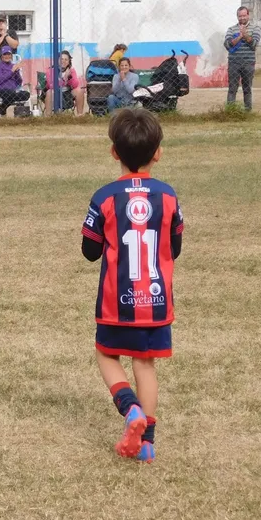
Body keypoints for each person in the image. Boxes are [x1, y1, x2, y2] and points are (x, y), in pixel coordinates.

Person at [81, 108, 184, 464]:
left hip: (115, 302)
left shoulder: (105, 197)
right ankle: (148, 443)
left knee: (106, 354)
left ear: (114, 152)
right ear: (158, 152)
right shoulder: (169, 196)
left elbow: (89, 251)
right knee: (145, 364)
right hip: (155, 302)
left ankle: (130, 410)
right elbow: (176, 247)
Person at [225, 6, 261, 111]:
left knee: (247, 88)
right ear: (237, 17)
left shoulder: (255, 29)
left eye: (244, 15)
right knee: (232, 88)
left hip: (248, 63)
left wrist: (244, 35)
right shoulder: (231, 29)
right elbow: (228, 45)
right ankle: (230, 111)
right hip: (233, 63)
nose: (242, 18)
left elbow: (254, 45)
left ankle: (248, 111)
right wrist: (239, 37)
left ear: (248, 15)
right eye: (240, 16)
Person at [0, 45, 30, 116]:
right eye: (5, 54)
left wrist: (17, 72)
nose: (7, 56)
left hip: (12, 91)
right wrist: (12, 71)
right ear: (1, 56)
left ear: (11, 56)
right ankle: (3, 109)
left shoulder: (13, 66)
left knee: (26, 94)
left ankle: (3, 108)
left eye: (9, 54)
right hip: (0, 89)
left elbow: (19, 82)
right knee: (11, 93)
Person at [46, 50, 85, 115]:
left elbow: (75, 85)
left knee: (80, 90)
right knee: (49, 92)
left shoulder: (71, 70)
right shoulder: (51, 70)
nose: (63, 61)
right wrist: (64, 79)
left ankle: (80, 115)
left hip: (67, 94)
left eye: (66, 59)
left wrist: (69, 77)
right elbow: (51, 86)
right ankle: (48, 116)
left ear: (69, 62)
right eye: (61, 59)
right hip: (55, 93)